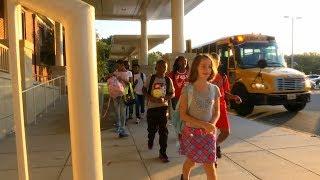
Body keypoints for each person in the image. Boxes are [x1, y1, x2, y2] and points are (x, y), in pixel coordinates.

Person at [179, 54, 221, 180]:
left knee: (209, 166)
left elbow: (216, 112)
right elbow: (183, 115)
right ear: (196, 67)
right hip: (191, 133)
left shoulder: (215, 89)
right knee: (191, 162)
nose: (207, 70)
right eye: (203, 66)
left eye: (209, 67)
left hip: (208, 134)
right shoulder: (188, 89)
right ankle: (184, 177)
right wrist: (204, 125)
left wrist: (211, 124)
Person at [210, 53, 242, 159]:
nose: (216, 62)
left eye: (217, 61)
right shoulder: (205, 75)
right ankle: (212, 154)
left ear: (219, 62)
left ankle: (216, 144)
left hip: (221, 107)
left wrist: (234, 97)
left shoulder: (223, 76)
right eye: (213, 60)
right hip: (208, 108)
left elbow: (225, 93)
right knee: (210, 132)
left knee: (226, 132)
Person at [143, 60, 175, 163]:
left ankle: (163, 153)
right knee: (151, 129)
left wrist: (165, 98)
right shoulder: (151, 78)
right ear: (156, 68)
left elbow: (172, 93)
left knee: (163, 131)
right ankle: (150, 139)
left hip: (163, 108)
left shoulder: (168, 80)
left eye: (164, 67)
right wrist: (150, 97)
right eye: (160, 67)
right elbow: (144, 89)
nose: (162, 69)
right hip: (152, 108)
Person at [112, 60, 131, 138]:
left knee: (123, 112)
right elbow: (112, 81)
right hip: (115, 95)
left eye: (118, 65)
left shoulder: (129, 73)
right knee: (116, 112)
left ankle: (122, 129)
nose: (117, 67)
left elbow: (129, 83)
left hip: (124, 94)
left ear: (122, 65)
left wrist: (121, 79)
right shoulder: (115, 72)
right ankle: (118, 126)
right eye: (116, 66)